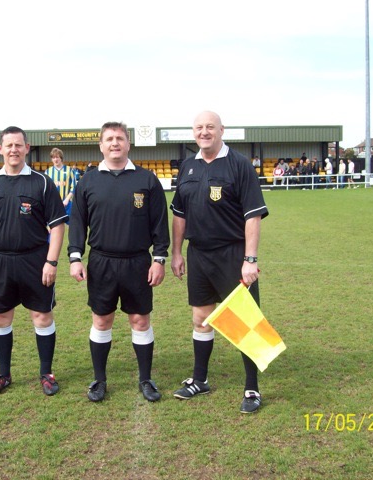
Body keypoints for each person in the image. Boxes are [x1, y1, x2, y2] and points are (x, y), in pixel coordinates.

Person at [170, 111, 269, 414]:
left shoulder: (239, 165)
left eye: (210, 127)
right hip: (199, 254)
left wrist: (250, 259)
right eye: (199, 128)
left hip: (232, 253)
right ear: (193, 132)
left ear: (221, 130)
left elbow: (252, 215)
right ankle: (200, 380)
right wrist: (177, 252)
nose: (204, 132)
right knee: (201, 318)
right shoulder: (188, 166)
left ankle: (252, 388)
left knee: (245, 322)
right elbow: (179, 214)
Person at [68, 121, 170, 403]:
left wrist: (159, 259)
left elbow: (160, 224)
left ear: (128, 144)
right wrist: (75, 256)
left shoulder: (146, 180)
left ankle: (145, 379)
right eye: (109, 139)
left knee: (140, 320)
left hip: (138, 262)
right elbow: (77, 223)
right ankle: (99, 380)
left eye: (120, 139)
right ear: (101, 145)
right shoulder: (88, 181)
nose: (115, 143)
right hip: (101, 262)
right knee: (102, 321)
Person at [0, 126, 68, 396]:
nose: (14, 150)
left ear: (27, 148)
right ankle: (3, 373)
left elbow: (58, 226)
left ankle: (46, 373)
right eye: (8, 145)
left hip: (35, 260)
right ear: (0, 149)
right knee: (1, 318)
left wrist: (52, 262)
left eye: (18, 145)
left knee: (42, 316)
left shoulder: (42, 182)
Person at [45, 148, 77, 223]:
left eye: (57, 157)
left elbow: (74, 186)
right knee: (53, 226)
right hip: (53, 204)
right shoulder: (48, 172)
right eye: (53, 157)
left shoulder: (70, 170)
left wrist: (67, 199)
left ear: (61, 158)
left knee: (72, 225)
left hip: (67, 203)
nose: (55, 159)